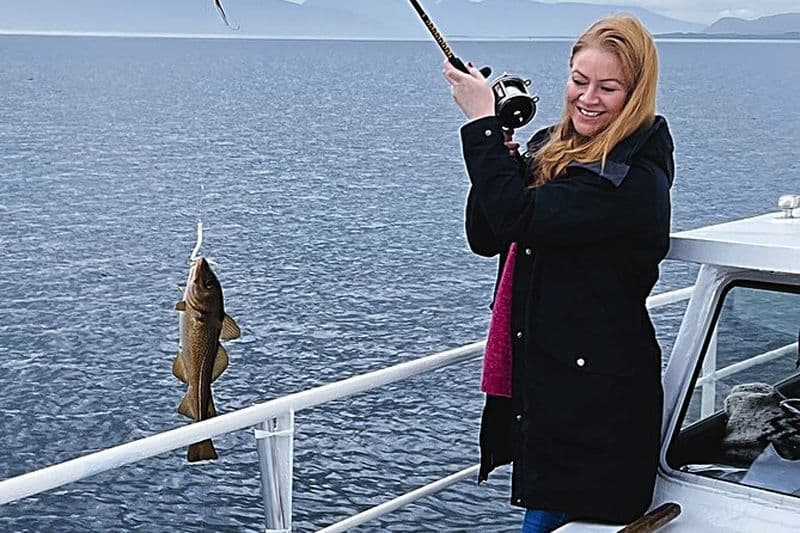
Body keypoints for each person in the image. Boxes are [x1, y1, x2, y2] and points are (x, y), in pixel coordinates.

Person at [443, 14, 674, 532]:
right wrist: (501, 148)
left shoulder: (632, 181)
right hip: (553, 393)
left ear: (636, 93)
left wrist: (480, 126)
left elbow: (517, 217)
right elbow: (488, 235)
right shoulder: (557, 150)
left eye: (608, 88)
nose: (588, 98)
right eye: (579, 80)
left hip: (595, 412)